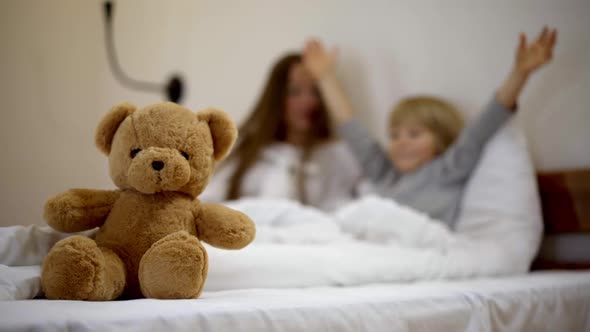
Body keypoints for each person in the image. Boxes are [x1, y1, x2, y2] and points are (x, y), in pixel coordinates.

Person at [303, 27, 557, 227]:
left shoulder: (447, 171)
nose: (401, 142)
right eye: (394, 134)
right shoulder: (385, 175)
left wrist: (520, 73)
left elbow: (482, 128)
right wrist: (326, 77)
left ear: (442, 139)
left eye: (414, 134)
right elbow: (353, 130)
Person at [199, 53, 362, 211]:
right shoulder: (249, 150)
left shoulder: (337, 156)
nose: (308, 101)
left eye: (315, 92)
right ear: (276, 98)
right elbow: (208, 200)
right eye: (295, 92)